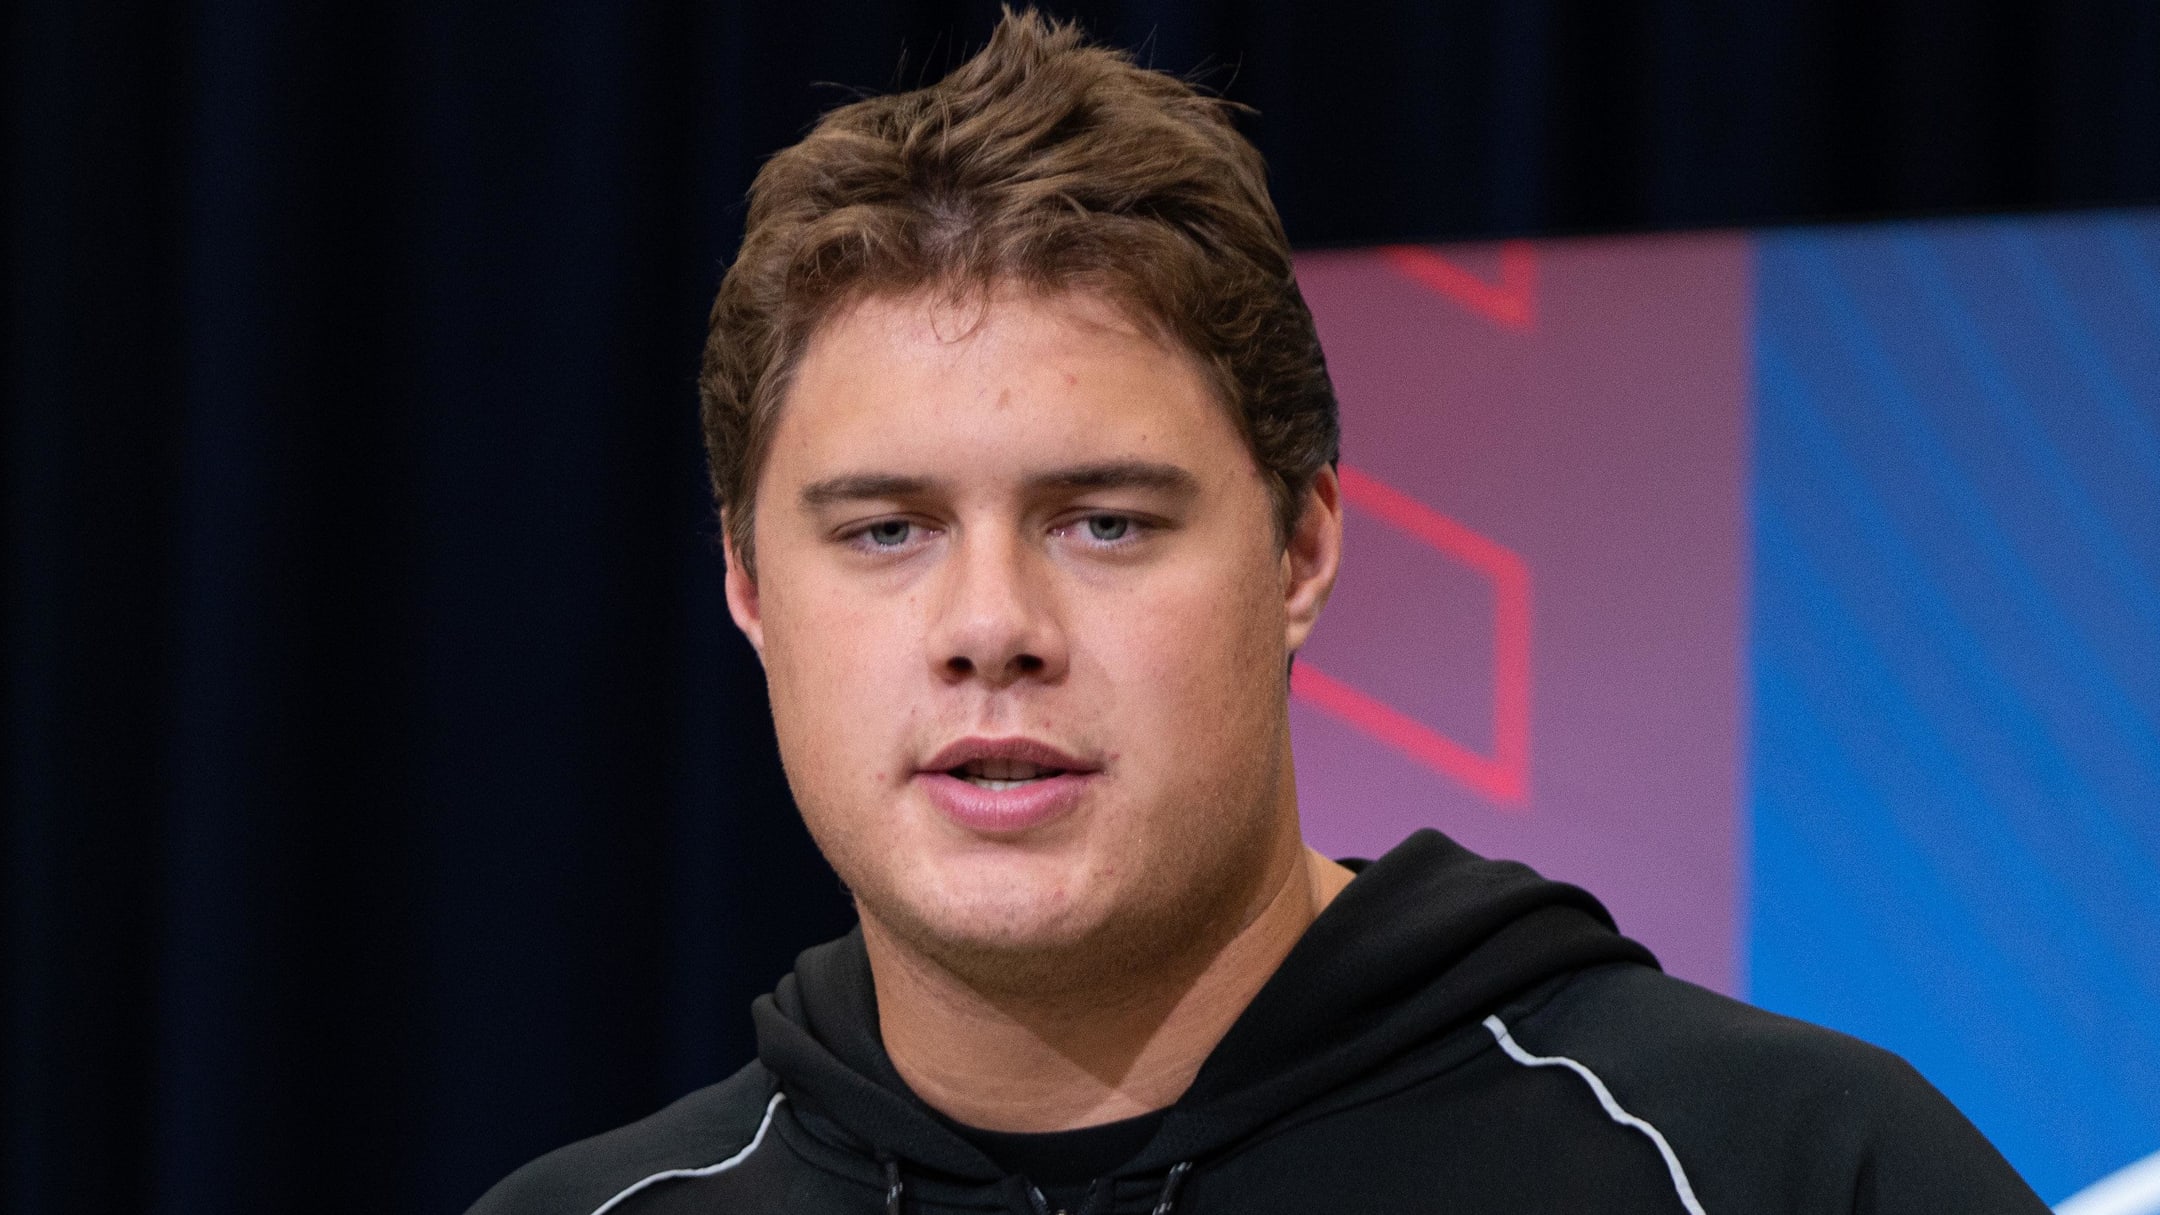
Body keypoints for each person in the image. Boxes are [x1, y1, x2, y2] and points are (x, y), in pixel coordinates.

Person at [468, 11, 2049, 1214]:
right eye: (887, 531)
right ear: (749, 585)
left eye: (1103, 521)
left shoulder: (1780, 1169)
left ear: (1301, 552)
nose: (992, 625)